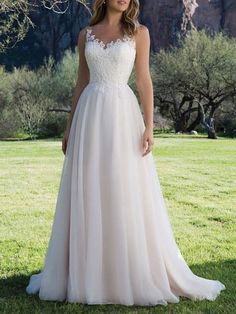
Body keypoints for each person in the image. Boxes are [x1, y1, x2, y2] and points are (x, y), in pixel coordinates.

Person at [25, 0, 226, 306]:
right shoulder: (85, 34)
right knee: (90, 189)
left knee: (122, 188)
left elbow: (144, 80)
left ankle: (123, 271)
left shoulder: (140, 33)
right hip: (89, 117)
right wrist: (69, 128)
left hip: (122, 115)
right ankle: (88, 272)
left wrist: (148, 125)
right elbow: (81, 83)